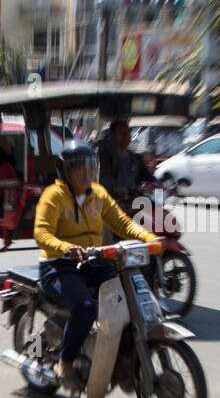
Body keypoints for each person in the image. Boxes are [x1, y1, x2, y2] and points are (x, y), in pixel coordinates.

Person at [34, 143, 159, 385]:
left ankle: (117, 355)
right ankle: (65, 361)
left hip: (94, 261)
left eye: (90, 167)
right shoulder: (54, 196)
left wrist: (149, 239)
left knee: (130, 296)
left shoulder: (99, 194)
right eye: (80, 168)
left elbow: (123, 224)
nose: (87, 173)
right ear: (66, 172)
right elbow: (42, 234)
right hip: (59, 266)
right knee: (84, 306)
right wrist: (65, 247)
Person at [97, 118, 155, 208]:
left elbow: (149, 178)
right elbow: (105, 177)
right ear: (112, 135)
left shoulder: (135, 158)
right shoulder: (106, 156)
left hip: (133, 201)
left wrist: (158, 184)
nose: (126, 136)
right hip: (114, 203)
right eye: (121, 133)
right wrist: (117, 188)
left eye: (127, 133)